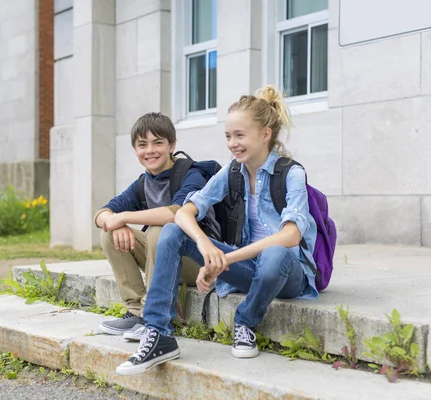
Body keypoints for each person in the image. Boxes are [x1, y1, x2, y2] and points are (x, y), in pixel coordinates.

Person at [115, 85, 319, 376]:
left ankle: (245, 321)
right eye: (228, 136)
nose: (233, 143)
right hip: (248, 268)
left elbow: (290, 236)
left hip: (288, 273)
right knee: (173, 232)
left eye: (240, 135)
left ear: (265, 134)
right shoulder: (231, 171)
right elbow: (184, 212)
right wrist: (205, 246)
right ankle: (158, 332)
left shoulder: (292, 173)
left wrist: (226, 260)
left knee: (275, 253)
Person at [95, 112, 220, 341]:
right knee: (110, 234)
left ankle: (153, 315)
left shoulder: (192, 174)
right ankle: (136, 312)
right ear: (135, 150)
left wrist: (123, 217)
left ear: (171, 145)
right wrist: (114, 222)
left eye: (158, 142)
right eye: (142, 145)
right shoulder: (143, 182)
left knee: (160, 230)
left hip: (200, 261)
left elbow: (176, 213)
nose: (150, 150)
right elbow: (101, 214)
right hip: (168, 259)